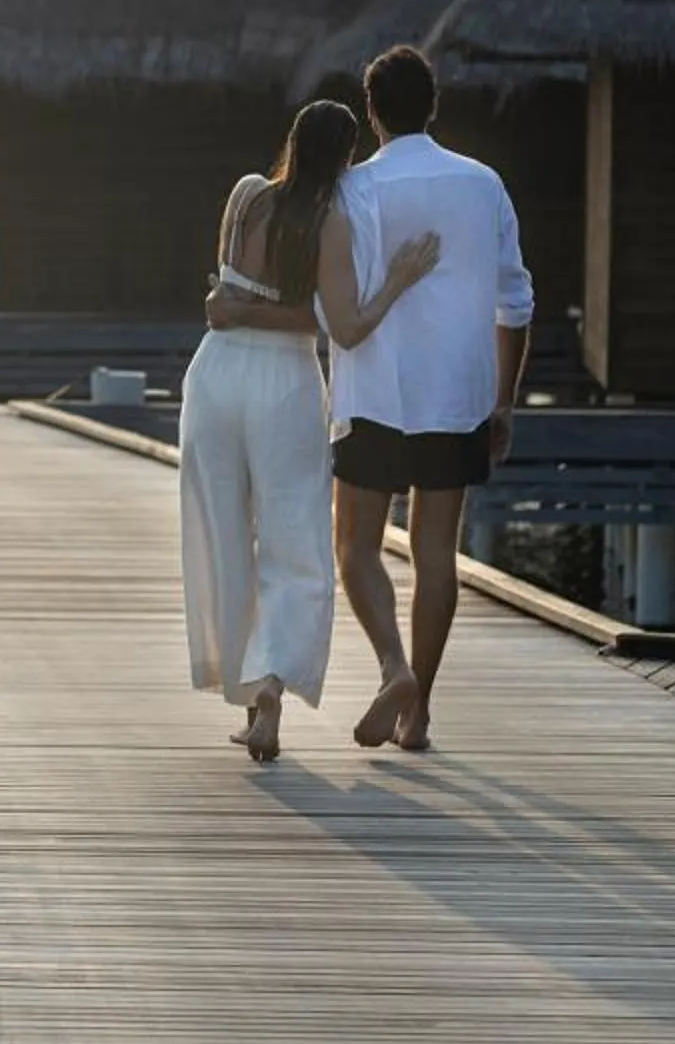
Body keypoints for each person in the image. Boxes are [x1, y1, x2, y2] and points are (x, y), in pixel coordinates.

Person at [186, 99, 441, 761]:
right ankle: (269, 688)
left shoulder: (247, 199)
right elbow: (344, 327)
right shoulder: (330, 222)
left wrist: (239, 309)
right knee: (294, 540)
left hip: (214, 381)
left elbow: (222, 306)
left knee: (224, 533)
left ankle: (249, 691)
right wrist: (397, 281)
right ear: (346, 158)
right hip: (283, 387)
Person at [322, 44, 534, 752]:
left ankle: (393, 668)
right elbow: (517, 303)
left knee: (354, 548)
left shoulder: (353, 189)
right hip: (459, 396)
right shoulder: (484, 185)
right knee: (436, 552)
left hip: (374, 392)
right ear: (433, 106)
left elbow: (338, 306)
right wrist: (502, 402)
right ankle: (419, 711)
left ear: (371, 112)